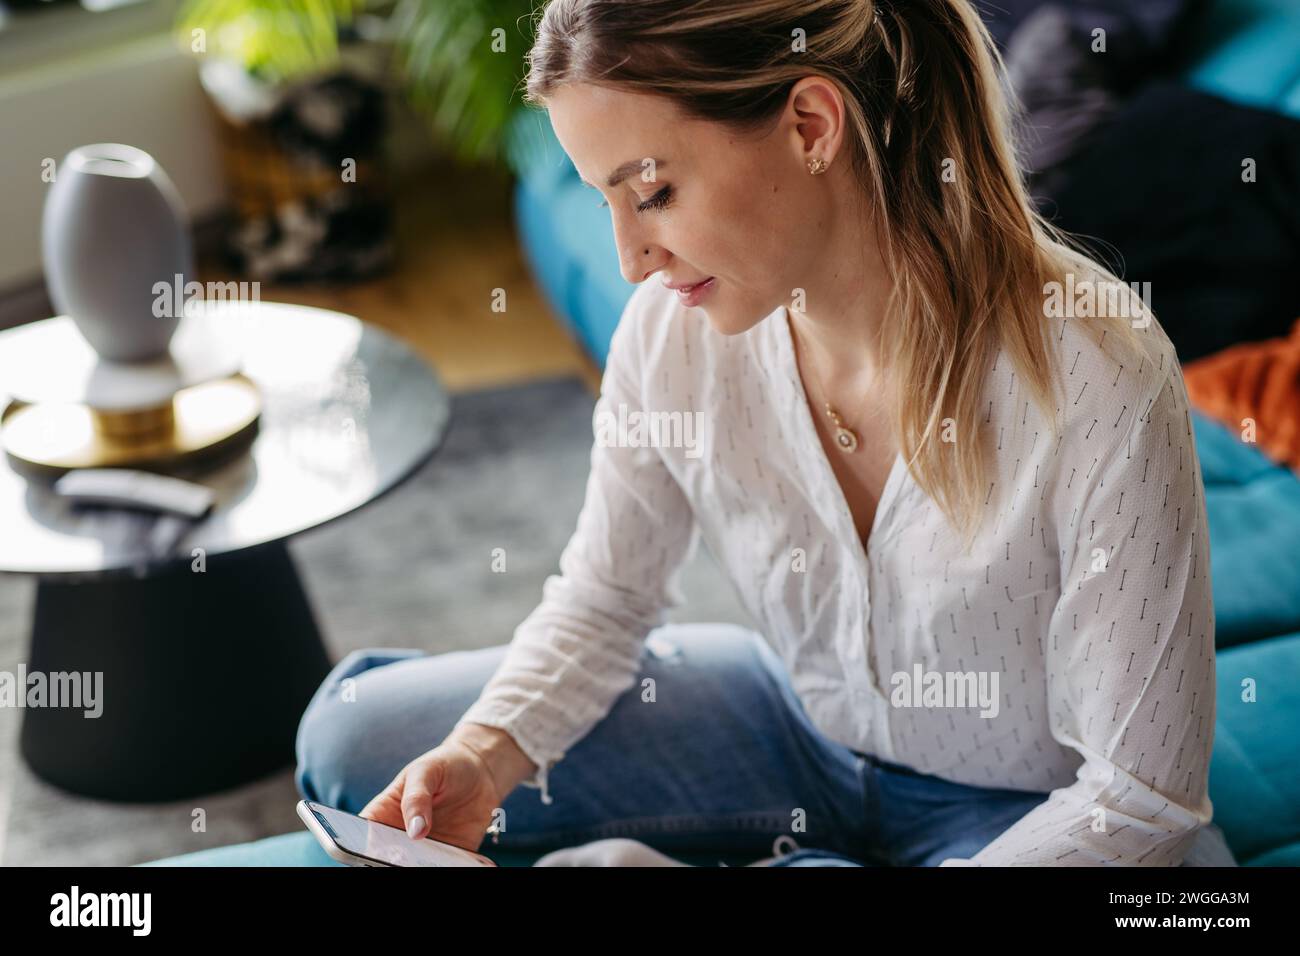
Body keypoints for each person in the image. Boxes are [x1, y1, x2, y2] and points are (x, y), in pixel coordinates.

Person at [295, 0, 1236, 867]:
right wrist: (486, 752)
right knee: (357, 737)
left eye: (654, 193)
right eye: (606, 201)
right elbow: (607, 597)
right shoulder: (673, 333)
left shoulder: (1095, 368)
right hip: (794, 733)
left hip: (1021, 810)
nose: (630, 260)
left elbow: (1140, 795)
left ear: (810, 126)